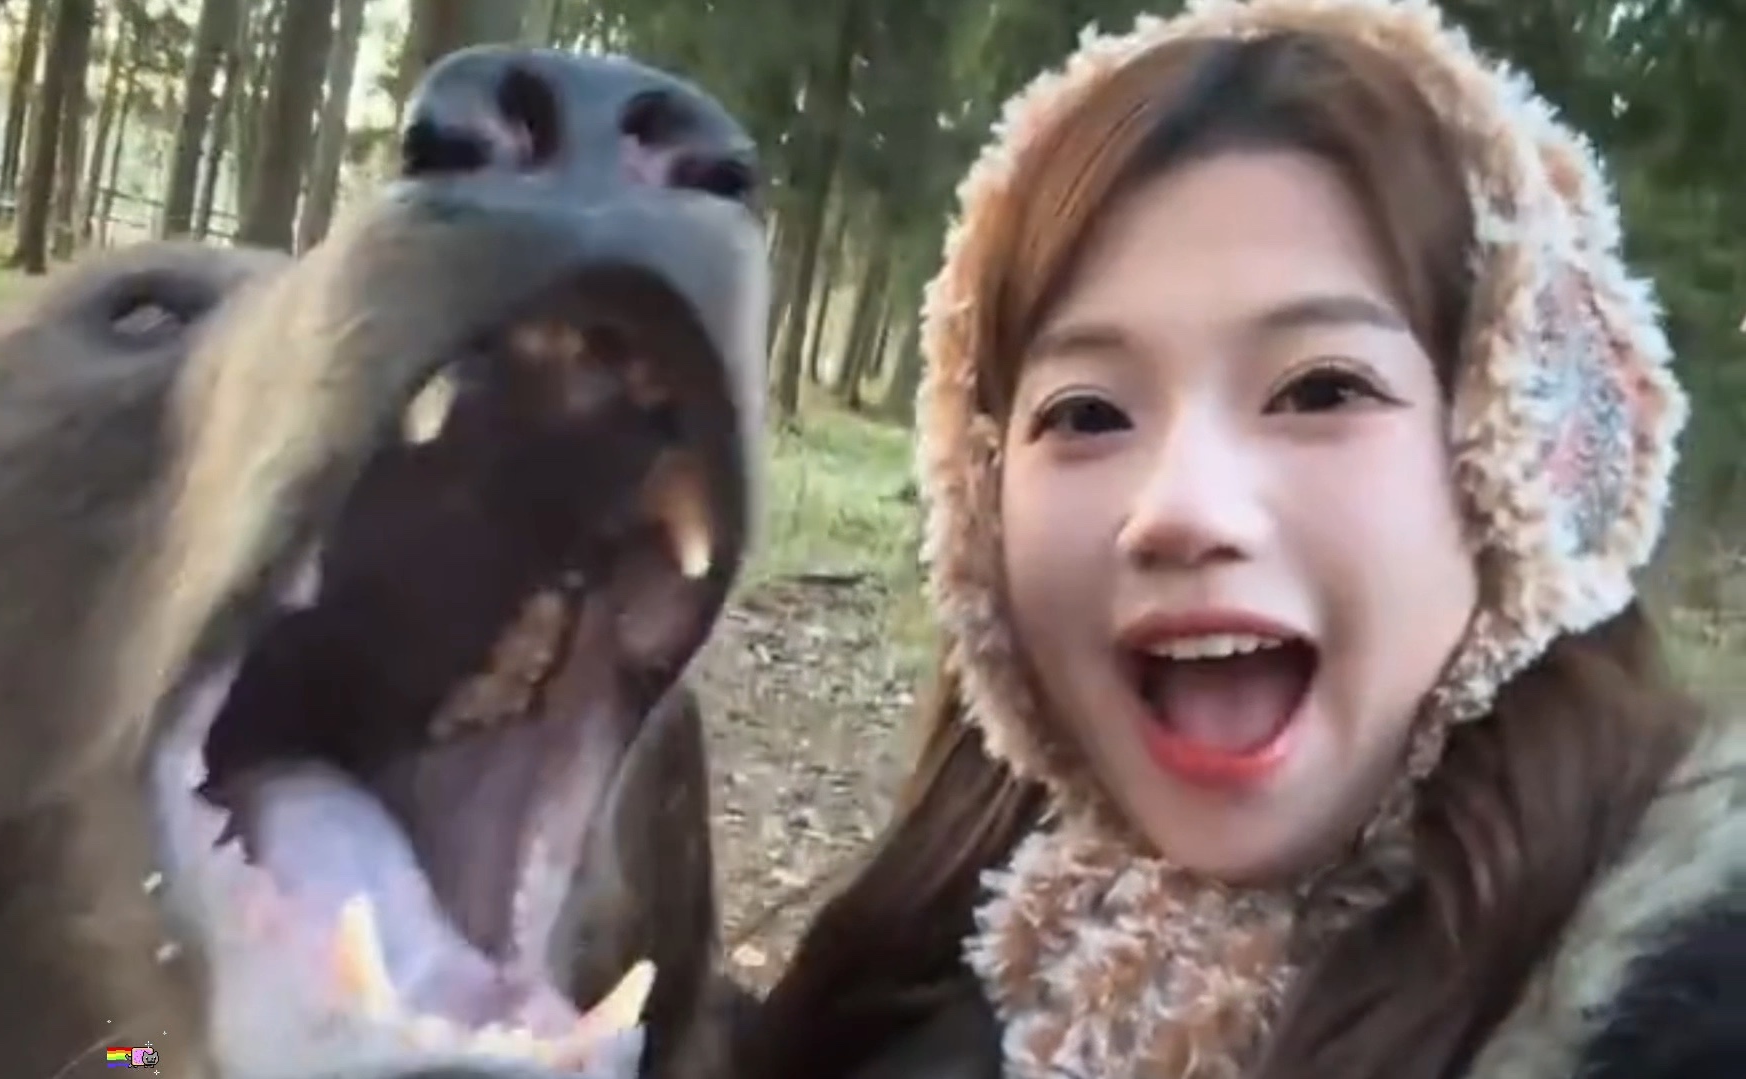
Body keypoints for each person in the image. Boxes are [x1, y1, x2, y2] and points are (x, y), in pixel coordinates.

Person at [735, 1, 1744, 1077]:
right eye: (1087, 412)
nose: (1183, 508)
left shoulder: (1685, 1006)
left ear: (1515, 452)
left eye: (1321, 389)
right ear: (980, 512)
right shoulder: (905, 971)